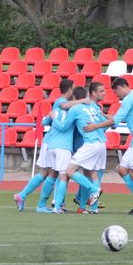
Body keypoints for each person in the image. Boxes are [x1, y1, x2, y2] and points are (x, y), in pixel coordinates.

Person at [84, 78, 133, 215]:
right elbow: (120, 118)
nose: (117, 96)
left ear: (120, 87)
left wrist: (95, 126)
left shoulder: (128, 99)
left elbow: (115, 120)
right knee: (122, 170)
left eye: (116, 93)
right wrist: (103, 115)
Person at [13, 79, 77, 212]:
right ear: (69, 89)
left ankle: (24, 196)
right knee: (52, 173)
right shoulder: (61, 102)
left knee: (48, 173)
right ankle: (42, 204)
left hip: (50, 141)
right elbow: (63, 108)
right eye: (73, 88)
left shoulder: (58, 106)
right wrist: (83, 101)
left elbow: (45, 121)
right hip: (54, 141)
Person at [51, 82, 107, 213]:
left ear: (74, 98)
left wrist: (54, 118)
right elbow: (104, 124)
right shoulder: (93, 107)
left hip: (90, 143)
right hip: (102, 143)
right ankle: (92, 208)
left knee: (69, 171)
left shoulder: (75, 109)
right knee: (93, 174)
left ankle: (94, 190)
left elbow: (64, 126)